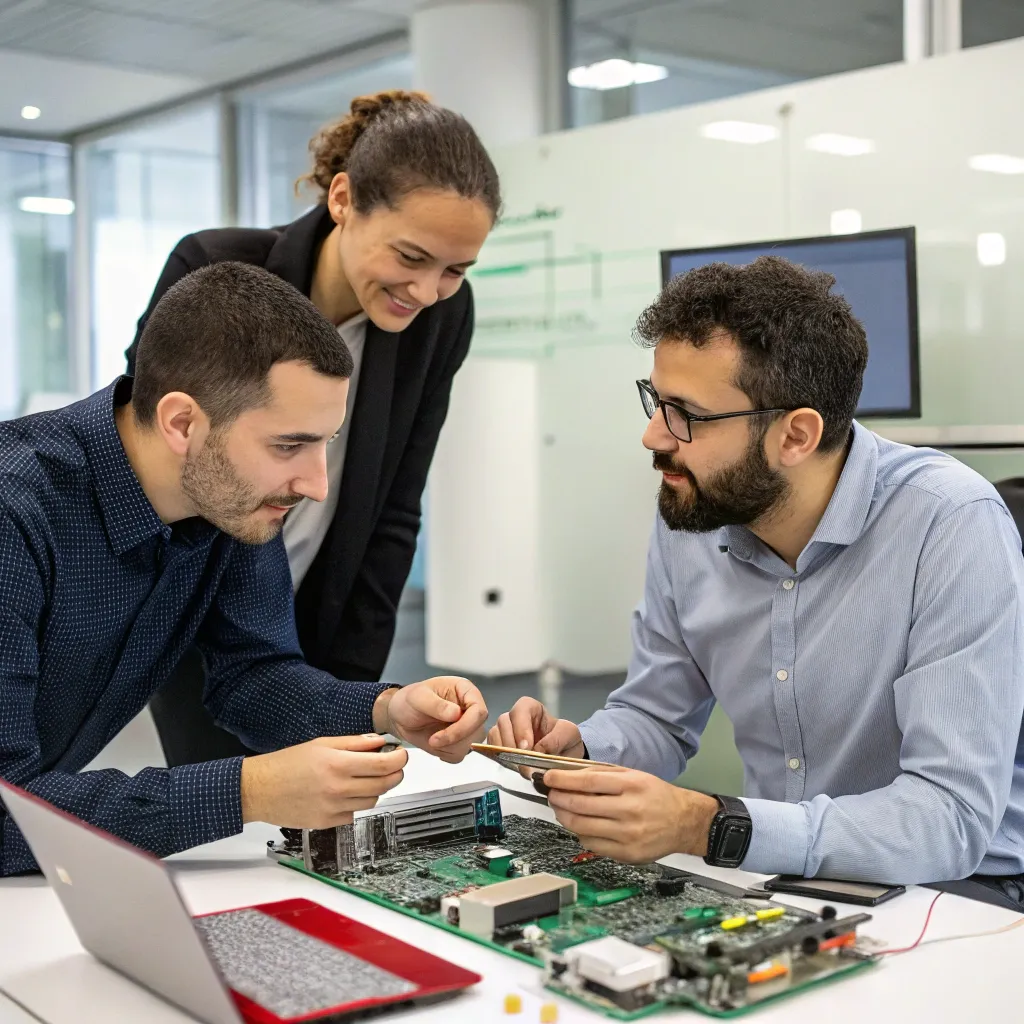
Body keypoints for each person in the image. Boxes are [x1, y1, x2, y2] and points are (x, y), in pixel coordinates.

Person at [489, 255, 1024, 903]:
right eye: (657, 401)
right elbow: (656, 715)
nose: (653, 436)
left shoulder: (949, 525)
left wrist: (709, 826)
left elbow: (949, 817)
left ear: (796, 436)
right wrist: (578, 749)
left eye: (685, 413)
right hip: (774, 872)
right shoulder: (697, 508)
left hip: (959, 888)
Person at [0, 261, 487, 876]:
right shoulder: (15, 512)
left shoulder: (227, 498)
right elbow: (5, 813)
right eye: (288, 445)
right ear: (183, 423)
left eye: (324, 443)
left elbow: (253, 677)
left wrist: (387, 709)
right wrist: (248, 791)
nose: (315, 484)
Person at [124, 90, 500, 768]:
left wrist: (360, 692)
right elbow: (155, 460)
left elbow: (393, 506)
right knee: (225, 812)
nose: (425, 291)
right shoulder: (214, 271)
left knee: (325, 814)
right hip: (200, 607)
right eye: (410, 258)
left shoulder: (443, 318)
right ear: (344, 200)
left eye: (454, 270)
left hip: (325, 601)